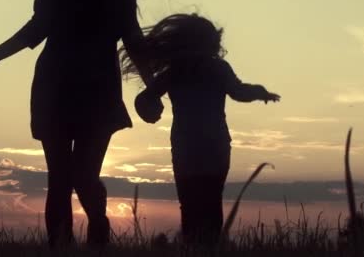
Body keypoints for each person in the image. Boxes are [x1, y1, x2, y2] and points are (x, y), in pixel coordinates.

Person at [0, 0, 161, 248]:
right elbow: (130, 34)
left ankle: (86, 234)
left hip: (59, 80)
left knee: (62, 177)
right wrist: (151, 87)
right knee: (80, 175)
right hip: (92, 83)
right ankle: (95, 233)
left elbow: (39, 25)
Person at [120, 14, 280, 247]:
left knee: (190, 203)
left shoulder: (175, 71)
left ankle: (194, 246)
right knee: (211, 200)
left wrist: (150, 112)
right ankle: (210, 247)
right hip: (215, 144)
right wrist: (260, 92)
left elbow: (144, 98)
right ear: (211, 42)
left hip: (186, 145)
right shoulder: (217, 68)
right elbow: (239, 92)